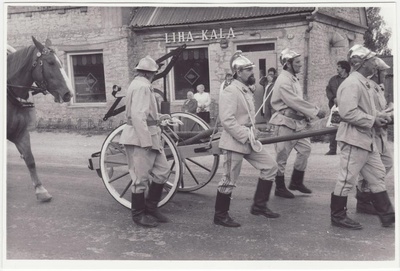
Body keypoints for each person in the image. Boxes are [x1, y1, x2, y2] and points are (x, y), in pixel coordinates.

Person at [330, 45, 394, 230]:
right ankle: (338, 216)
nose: (375, 63)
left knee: (377, 175)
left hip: (366, 139)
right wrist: (373, 119)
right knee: (347, 178)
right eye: (372, 60)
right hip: (353, 139)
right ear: (361, 63)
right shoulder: (352, 83)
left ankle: (387, 215)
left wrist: (378, 116)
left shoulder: (363, 82)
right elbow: (348, 113)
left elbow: (366, 109)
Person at [214, 50, 280, 228]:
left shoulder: (245, 89)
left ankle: (259, 206)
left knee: (270, 166)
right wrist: (246, 135)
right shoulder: (230, 91)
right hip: (234, 142)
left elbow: (248, 117)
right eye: (248, 70)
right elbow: (227, 120)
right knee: (228, 179)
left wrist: (254, 132)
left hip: (249, 139)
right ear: (238, 72)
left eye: (252, 69)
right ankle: (220, 216)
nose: (253, 73)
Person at [119, 55, 171, 228]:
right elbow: (137, 116)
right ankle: (138, 215)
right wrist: (145, 141)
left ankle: (151, 207)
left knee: (163, 171)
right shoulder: (142, 87)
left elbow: (145, 113)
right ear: (151, 74)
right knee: (140, 178)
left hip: (151, 134)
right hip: (142, 138)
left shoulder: (140, 85)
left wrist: (159, 117)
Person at [269, 48, 324, 199]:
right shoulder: (283, 80)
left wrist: (306, 117)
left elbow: (298, 103)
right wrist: (315, 111)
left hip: (298, 123)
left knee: (305, 149)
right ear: (288, 63)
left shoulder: (292, 78)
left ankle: (296, 181)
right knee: (282, 156)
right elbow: (294, 102)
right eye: (297, 62)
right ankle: (279, 187)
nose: (300, 65)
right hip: (285, 122)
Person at [354, 57, 394, 216]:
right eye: (382, 71)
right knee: (371, 167)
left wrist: (389, 111)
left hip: (380, 132)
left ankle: (367, 195)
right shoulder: (369, 88)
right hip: (371, 132)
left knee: (387, 163)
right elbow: (369, 111)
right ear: (376, 73)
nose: (385, 74)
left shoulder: (379, 88)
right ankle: (364, 199)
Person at [325, 60, 351, 155]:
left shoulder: (351, 80)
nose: (337, 68)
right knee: (333, 127)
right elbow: (328, 90)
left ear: (344, 68)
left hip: (349, 109)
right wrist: (333, 98)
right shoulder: (333, 79)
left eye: (339, 66)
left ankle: (348, 150)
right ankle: (332, 149)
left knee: (349, 128)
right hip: (335, 108)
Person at [261, 67, 278, 132]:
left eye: (271, 74)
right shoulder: (266, 83)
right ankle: (268, 127)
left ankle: (272, 128)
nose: (270, 76)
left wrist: (273, 79)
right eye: (269, 74)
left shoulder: (275, 83)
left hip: (272, 101)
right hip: (265, 101)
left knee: (272, 115)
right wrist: (265, 77)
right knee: (266, 115)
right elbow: (260, 82)